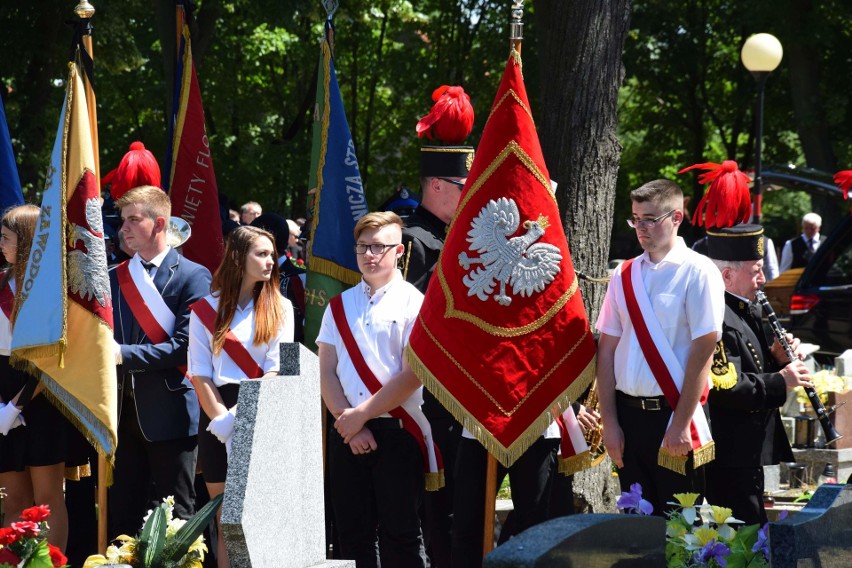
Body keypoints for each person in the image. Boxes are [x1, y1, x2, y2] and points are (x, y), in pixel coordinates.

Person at [596, 179, 725, 516]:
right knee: (637, 531)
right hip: (627, 417)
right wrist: (609, 422)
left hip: (673, 415)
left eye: (651, 219)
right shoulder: (622, 275)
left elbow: (704, 349)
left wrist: (681, 423)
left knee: (681, 530)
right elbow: (606, 349)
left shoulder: (699, 271)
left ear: (677, 218)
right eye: (636, 218)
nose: (641, 228)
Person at [318, 211, 437, 568]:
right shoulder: (338, 305)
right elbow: (325, 370)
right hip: (346, 430)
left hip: (398, 432)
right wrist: (347, 421)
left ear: (399, 251)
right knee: (351, 533)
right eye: (363, 247)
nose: (369, 255)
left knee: (401, 532)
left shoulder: (415, 304)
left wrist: (360, 417)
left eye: (379, 247)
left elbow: (412, 375)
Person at [108, 185, 212, 538]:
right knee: (121, 514)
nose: (124, 227)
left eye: (133, 219)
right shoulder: (113, 277)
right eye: (123, 220)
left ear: (160, 222)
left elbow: (184, 347)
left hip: (170, 411)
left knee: (178, 516)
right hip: (119, 413)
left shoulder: (193, 275)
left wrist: (121, 354)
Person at [188, 225, 294, 568]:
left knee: (261, 520)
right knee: (227, 522)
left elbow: (284, 368)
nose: (270, 261)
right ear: (237, 256)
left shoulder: (285, 307)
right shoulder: (203, 309)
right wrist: (222, 420)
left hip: (263, 410)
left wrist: (239, 417)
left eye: (271, 254)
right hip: (215, 413)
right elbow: (199, 372)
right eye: (261, 254)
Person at [401, 86, 475, 567]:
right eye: (463, 187)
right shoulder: (412, 241)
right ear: (437, 186)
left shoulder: (453, 236)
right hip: (420, 391)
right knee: (432, 510)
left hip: (456, 391)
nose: (470, 196)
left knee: (456, 508)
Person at [705, 224, 811, 525]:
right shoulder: (716, 314)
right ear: (727, 275)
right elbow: (727, 386)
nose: (763, 279)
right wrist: (782, 380)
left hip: (746, 449)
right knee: (744, 533)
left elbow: (751, 365)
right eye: (756, 271)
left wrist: (777, 360)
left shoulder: (742, 309)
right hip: (728, 452)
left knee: (751, 530)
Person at [0, 205, 72, 551]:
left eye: (7, 238)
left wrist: (16, 407)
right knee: (13, 499)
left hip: (41, 395)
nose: (1, 244)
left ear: (27, 240)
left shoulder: (50, 291)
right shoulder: (1, 281)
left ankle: (51, 562)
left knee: (46, 500)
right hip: (2, 392)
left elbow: (52, 360)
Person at [250, 214, 306, 344]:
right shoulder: (247, 279)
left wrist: (289, 363)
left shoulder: (301, 279)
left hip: (292, 358)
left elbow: (307, 332)